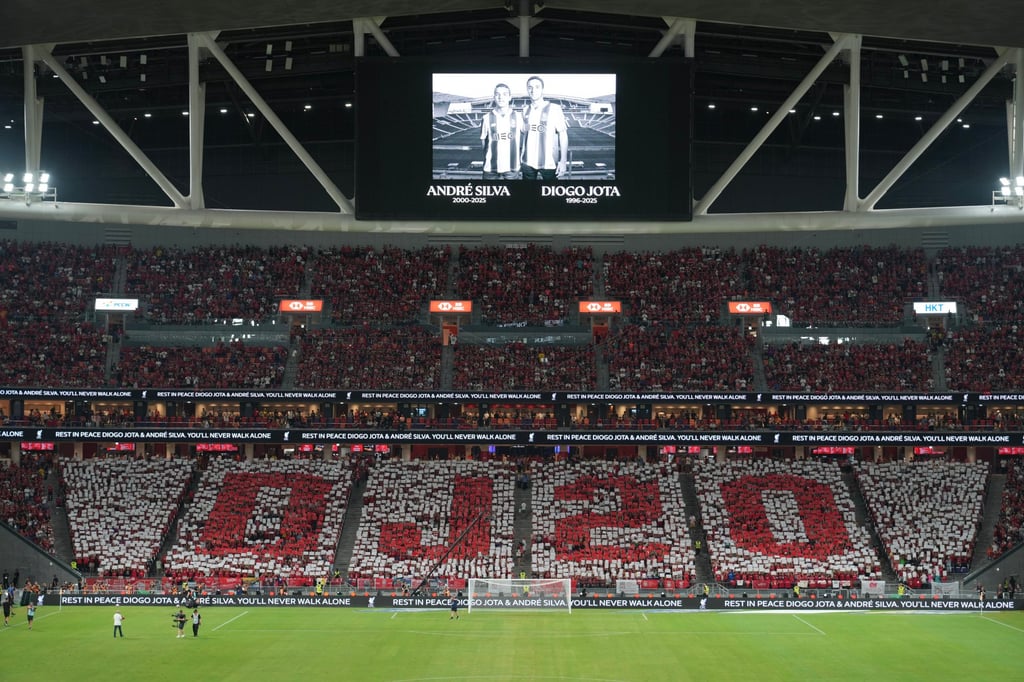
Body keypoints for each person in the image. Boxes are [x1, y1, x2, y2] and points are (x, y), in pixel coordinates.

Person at [521, 76, 569, 180]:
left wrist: (563, 161)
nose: (533, 90)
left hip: (549, 164)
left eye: (537, 87)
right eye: (530, 87)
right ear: (527, 89)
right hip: (527, 163)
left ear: (542, 89)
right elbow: (524, 134)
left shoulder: (554, 108)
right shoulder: (525, 110)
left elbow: (563, 135)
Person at [480, 83, 524, 180]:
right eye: (497, 94)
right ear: (494, 97)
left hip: (512, 168)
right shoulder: (486, 118)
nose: (500, 97)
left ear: (510, 97)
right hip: (490, 168)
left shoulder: (519, 116)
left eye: (504, 94)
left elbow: (527, 139)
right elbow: (483, 142)